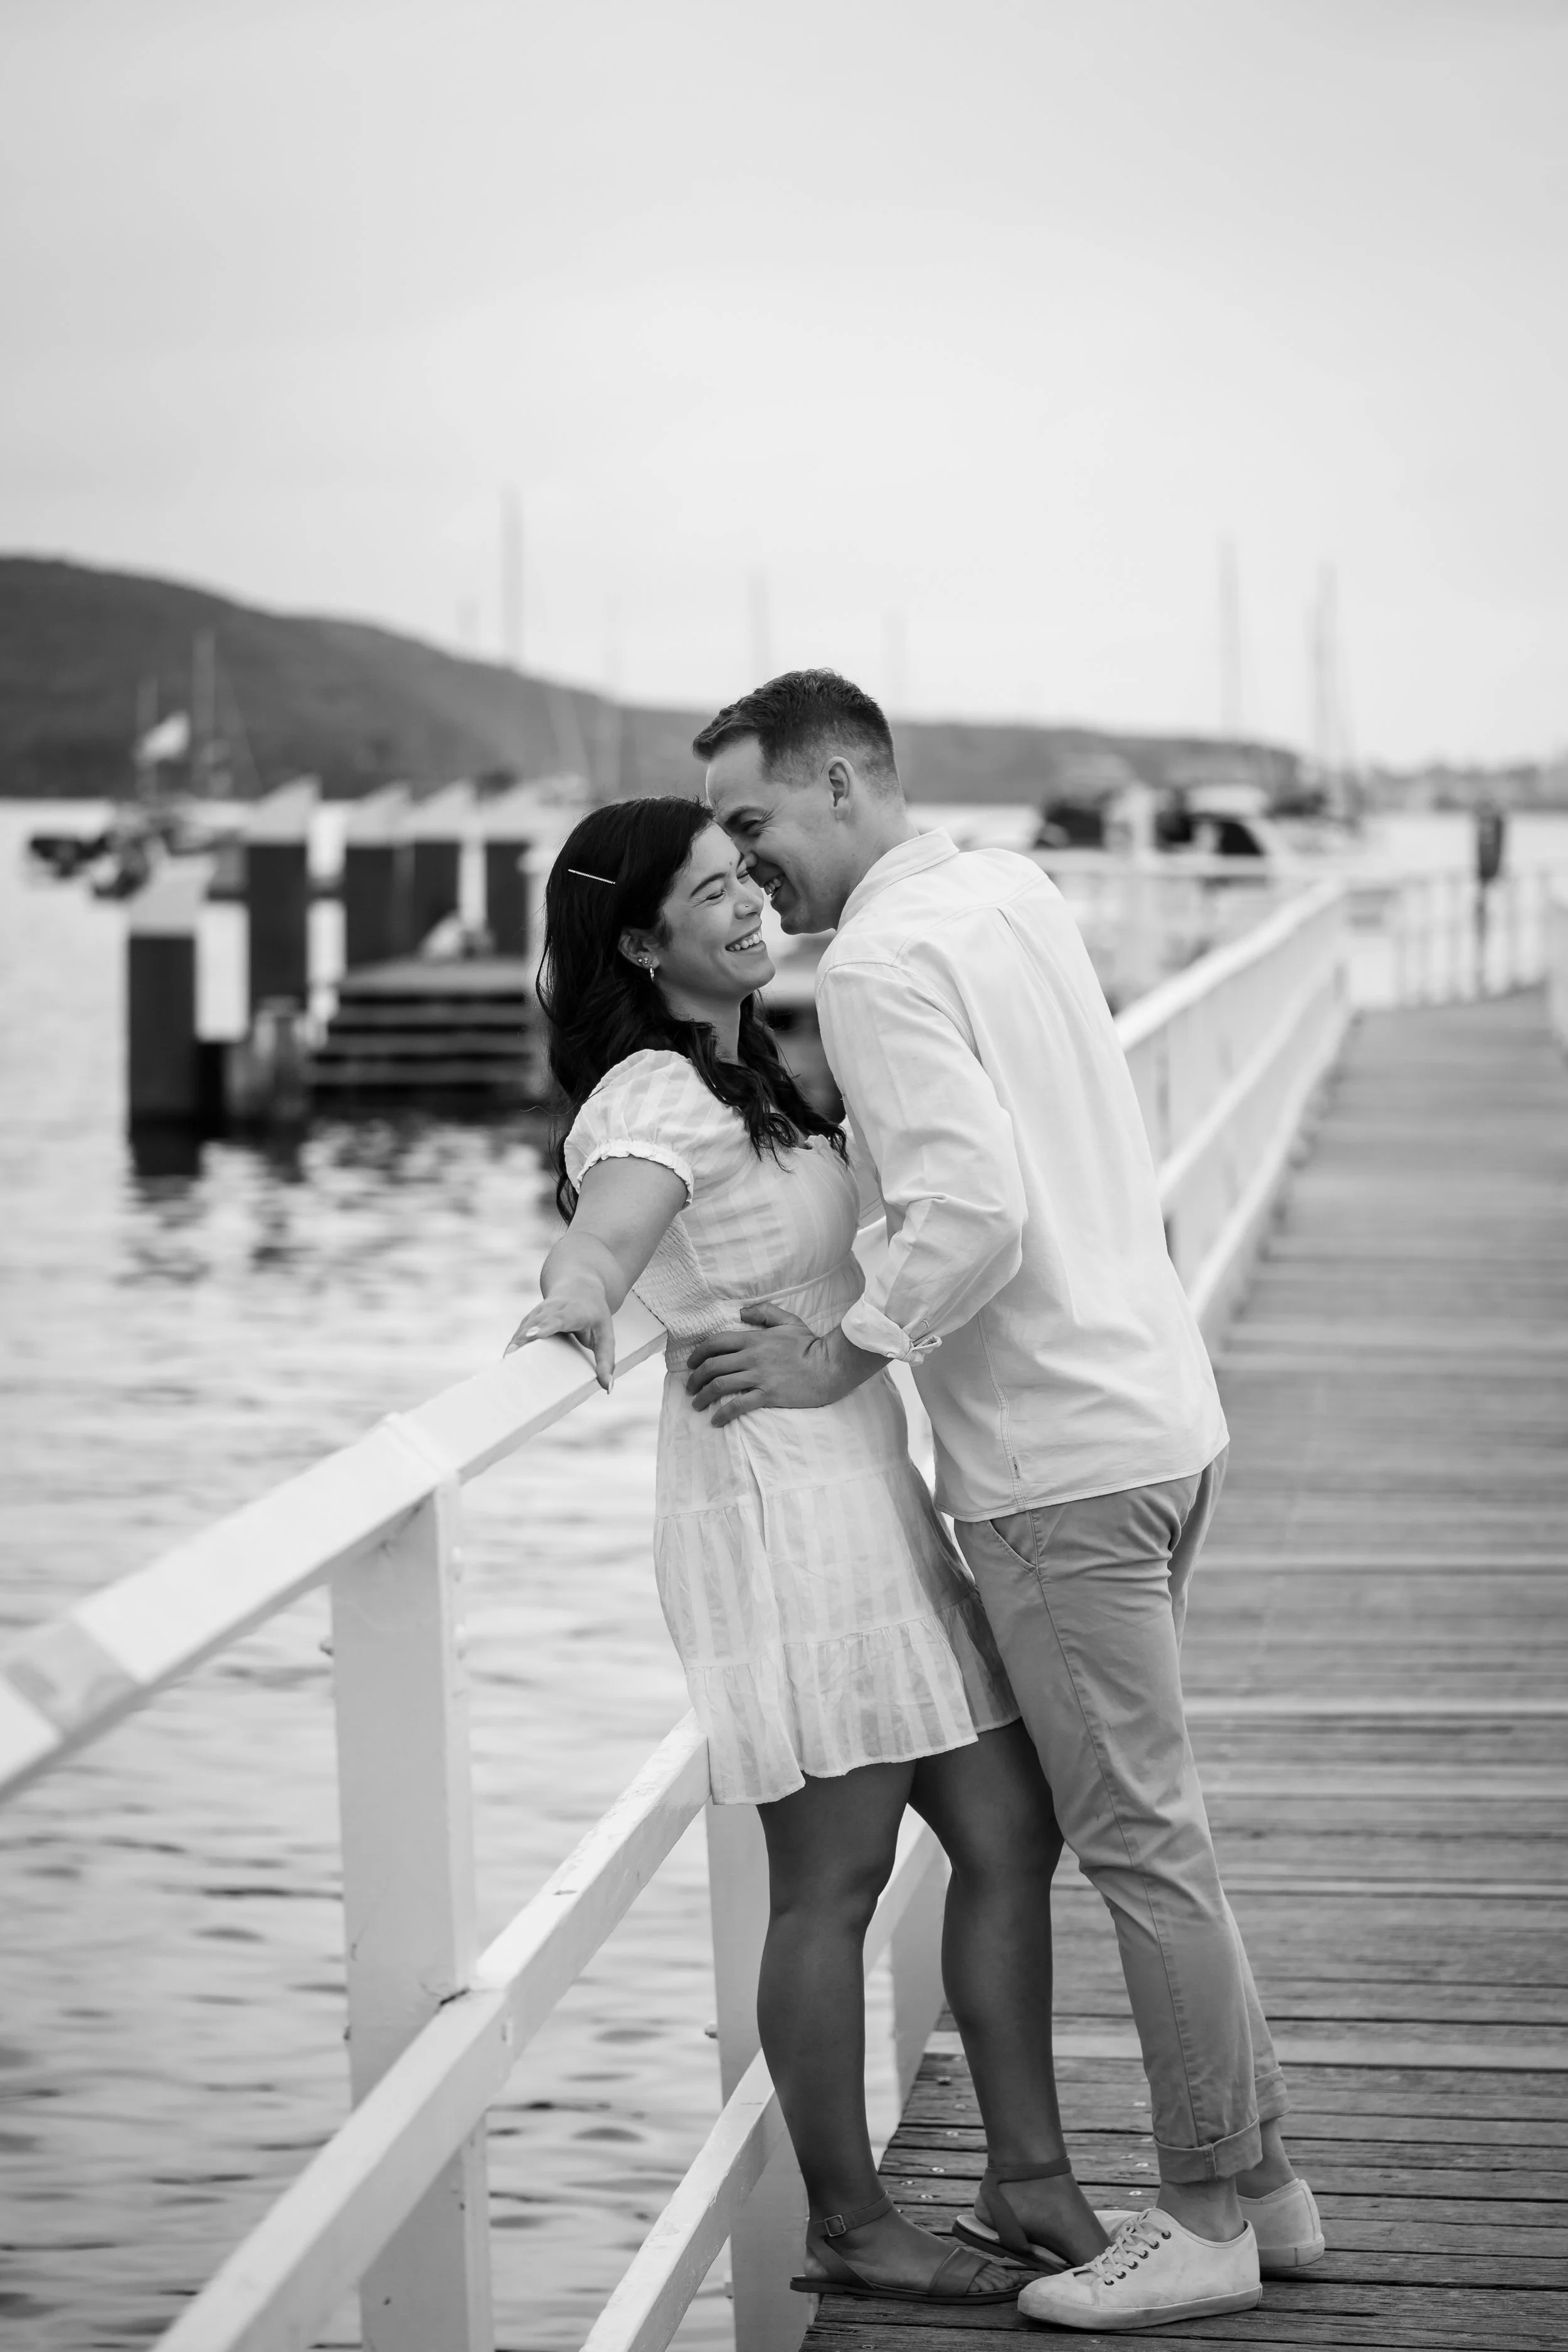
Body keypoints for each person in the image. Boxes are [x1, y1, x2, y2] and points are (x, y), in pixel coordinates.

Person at [689, 671, 1327, 2332]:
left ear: (840, 781)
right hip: (1159, 1411)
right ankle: (1262, 2179)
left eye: (755, 826)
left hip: (1055, 1462)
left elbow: (968, 1203)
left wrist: (843, 1343)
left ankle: (1199, 2216)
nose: (750, 875)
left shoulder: (888, 956)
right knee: (1158, 1826)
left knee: (1136, 1842)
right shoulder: (1011, 889)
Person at [505, 795, 1116, 2306]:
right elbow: (606, 1227)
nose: (744, 903)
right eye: (708, 894)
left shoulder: (757, 1068)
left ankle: (1026, 2179)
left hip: (869, 1490)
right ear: (639, 942)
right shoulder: (654, 1086)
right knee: (831, 1882)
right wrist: (574, 1299)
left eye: (742, 877)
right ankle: (850, 2222)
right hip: (777, 1509)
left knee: (1008, 1830)